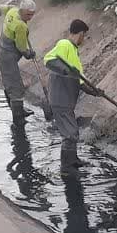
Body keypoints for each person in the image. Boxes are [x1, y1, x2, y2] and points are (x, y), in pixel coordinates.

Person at [43, 19, 100, 176]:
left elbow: (79, 80)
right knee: (70, 132)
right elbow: (48, 60)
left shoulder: (73, 50)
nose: (84, 39)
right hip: (60, 98)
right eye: (84, 36)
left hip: (66, 99)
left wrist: (93, 91)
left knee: (72, 130)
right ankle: (67, 169)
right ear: (80, 34)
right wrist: (66, 70)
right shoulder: (65, 44)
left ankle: (73, 160)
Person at [0, 0, 37, 126]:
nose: (30, 17)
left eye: (32, 14)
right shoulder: (21, 26)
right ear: (21, 11)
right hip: (8, 58)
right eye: (28, 14)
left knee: (10, 83)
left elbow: (2, 7)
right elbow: (21, 47)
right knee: (16, 88)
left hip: (3, 53)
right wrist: (29, 54)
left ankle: (17, 109)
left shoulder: (12, 10)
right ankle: (18, 119)